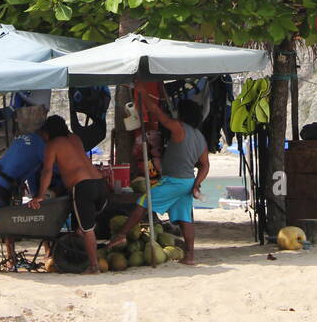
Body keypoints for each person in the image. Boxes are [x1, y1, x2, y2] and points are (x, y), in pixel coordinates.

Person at [109, 91, 209, 266]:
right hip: (187, 182)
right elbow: (205, 165)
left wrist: (141, 92)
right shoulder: (200, 137)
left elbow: (157, 112)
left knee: (143, 201)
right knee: (185, 218)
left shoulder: (179, 128)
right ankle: (190, 256)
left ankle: (121, 235)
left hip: (175, 182)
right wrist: (196, 184)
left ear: (183, 115)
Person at [30, 115, 108, 274]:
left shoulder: (52, 145)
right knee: (85, 225)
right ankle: (83, 245)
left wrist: (39, 195)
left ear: (48, 132)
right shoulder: (75, 138)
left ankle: (94, 266)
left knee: (87, 229)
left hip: (83, 186)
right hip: (100, 184)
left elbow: (47, 171)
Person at [0, 131, 53, 266]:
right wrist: (38, 196)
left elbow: (23, 165)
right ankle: (11, 259)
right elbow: (45, 170)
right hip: (3, 183)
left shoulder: (26, 135)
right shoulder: (41, 146)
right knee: (6, 221)